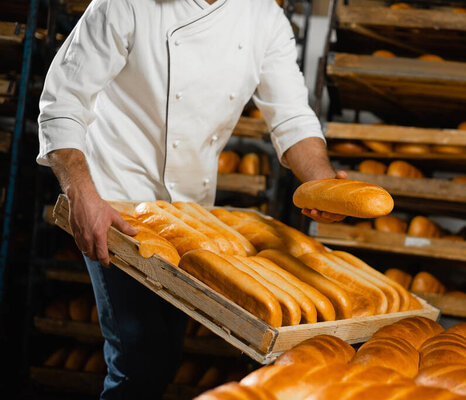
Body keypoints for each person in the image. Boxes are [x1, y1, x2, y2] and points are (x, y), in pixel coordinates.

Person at [37, 0, 343, 397]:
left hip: (192, 210)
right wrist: (82, 194)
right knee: (138, 360)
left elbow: (291, 117)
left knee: (164, 354)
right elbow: (62, 102)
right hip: (117, 201)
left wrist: (322, 183)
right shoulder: (125, 4)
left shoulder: (263, 17)